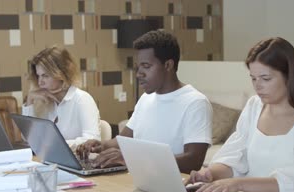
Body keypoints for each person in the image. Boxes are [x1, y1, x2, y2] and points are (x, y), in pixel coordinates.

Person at [188, 37, 294, 192]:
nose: (257, 86)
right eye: (253, 78)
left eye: (266, 79)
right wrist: (210, 174)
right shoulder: (254, 106)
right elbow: (236, 157)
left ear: (290, 76)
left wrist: (237, 184)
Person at [77, 30, 212, 174]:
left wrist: (133, 159)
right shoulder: (146, 98)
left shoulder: (195, 103)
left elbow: (193, 161)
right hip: (140, 179)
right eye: (138, 67)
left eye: (146, 66)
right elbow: (122, 141)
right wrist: (100, 146)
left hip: (172, 186)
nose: (138, 74)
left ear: (168, 65)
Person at [23, 46, 100, 148]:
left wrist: (53, 145)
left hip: (78, 161)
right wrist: (30, 101)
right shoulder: (45, 101)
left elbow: (92, 140)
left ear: (62, 74)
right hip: (52, 160)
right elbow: (28, 138)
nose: (40, 82)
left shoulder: (82, 99)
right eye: (38, 76)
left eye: (45, 76)